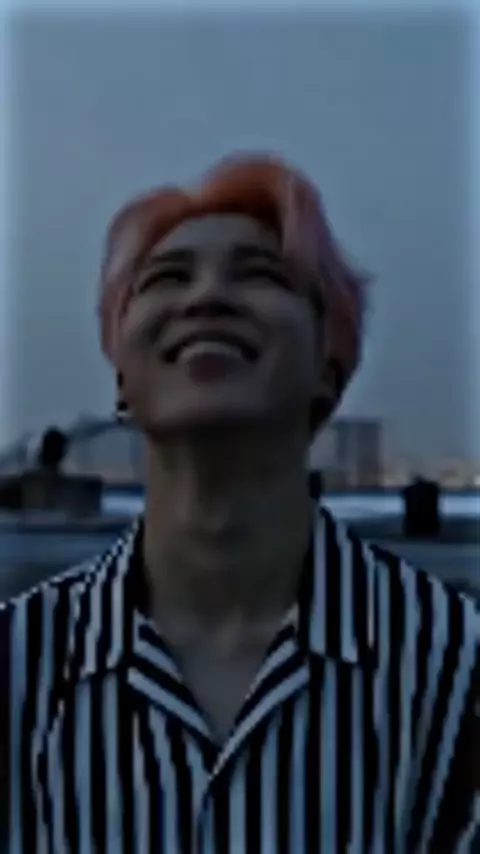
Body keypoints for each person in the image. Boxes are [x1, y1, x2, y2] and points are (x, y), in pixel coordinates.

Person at [1, 154, 478, 853]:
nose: (206, 297)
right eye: (166, 278)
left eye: (260, 275)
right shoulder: (16, 664)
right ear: (121, 376)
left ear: (330, 365)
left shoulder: (455, 671)